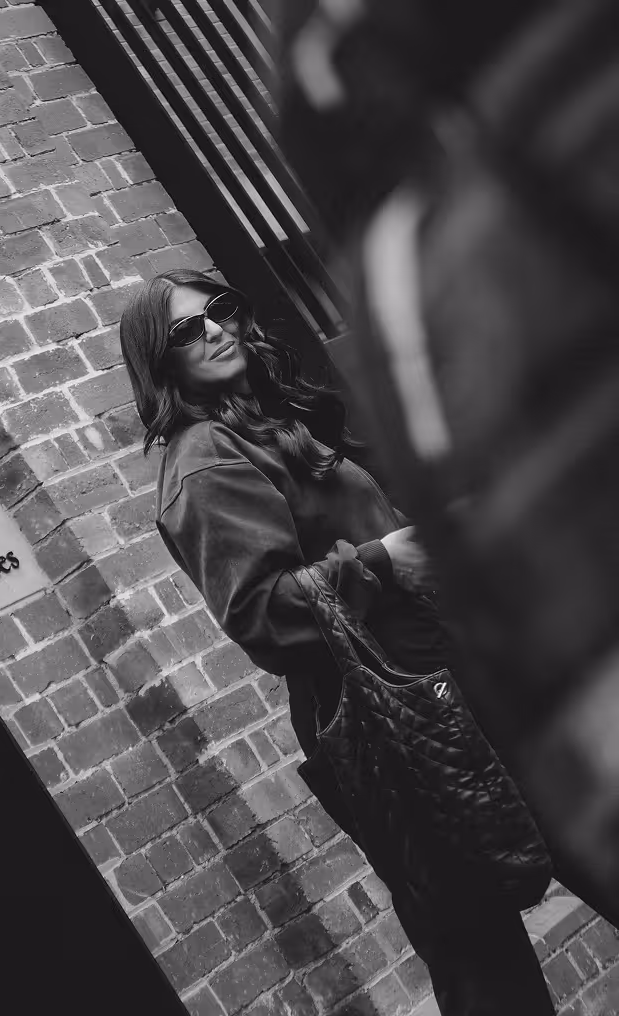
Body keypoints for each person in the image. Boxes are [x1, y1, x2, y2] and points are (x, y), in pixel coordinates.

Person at [119, 268, 554, 1015]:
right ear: (161, 364)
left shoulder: (271, 418)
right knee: (478, 952)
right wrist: (384, 562)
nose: (215, 330)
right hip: (392, 718)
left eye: (219, 311)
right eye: (187, 331)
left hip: (449, 678)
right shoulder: (203, 462)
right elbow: (260, 613)